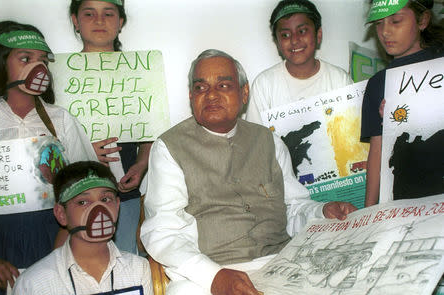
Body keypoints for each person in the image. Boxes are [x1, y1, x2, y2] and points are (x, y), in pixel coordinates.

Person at [140, 49, 357, 295]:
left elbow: (294, 208)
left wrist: (322, 211)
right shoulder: (169, 147)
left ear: (244, 93)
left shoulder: (270, 142)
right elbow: (163, 231)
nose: (211, 95)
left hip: (280, 262)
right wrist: (214, 277)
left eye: (223, 85)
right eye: (201, 88)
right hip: (209, 271)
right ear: (191, 96)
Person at [0, 21, 97, 294]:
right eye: (25, 59)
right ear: (1, 64)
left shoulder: (61, 119)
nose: (37, 69)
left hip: (53, 234)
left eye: (41, 60)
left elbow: (87, 184)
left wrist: (68, 234)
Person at [63, 0, 152, 254]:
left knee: (126, 263)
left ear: (120, 21)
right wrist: (83, 149)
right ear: (75, 21)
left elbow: (149, 128)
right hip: (78, 195)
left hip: (126, 194)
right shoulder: (61, 77)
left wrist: (141, 164)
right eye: (89, 13)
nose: (99, 20)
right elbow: (52, 140)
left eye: (108, 13)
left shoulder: (138, 72)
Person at [12, 161, 153, 294]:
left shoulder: (139, 269)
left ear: (117, 205)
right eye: (83, 202)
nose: (99, 210)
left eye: (105, 199)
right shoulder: (33, 284)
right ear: (61, 214)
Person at [361, 0, 444, 207]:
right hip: (405, 197)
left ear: (422, 21)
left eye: (396, 21)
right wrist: (369, 211)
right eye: (378, 24)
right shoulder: (378, 83)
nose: (385, 32)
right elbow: (377, 150)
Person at [245, 0, 353, 125]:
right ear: (277, 42)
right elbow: (256, 138)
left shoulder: (339, 80)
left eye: (302, 31)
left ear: (318, 35)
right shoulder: (264, 84)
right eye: (285, 35)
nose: (294, 40)